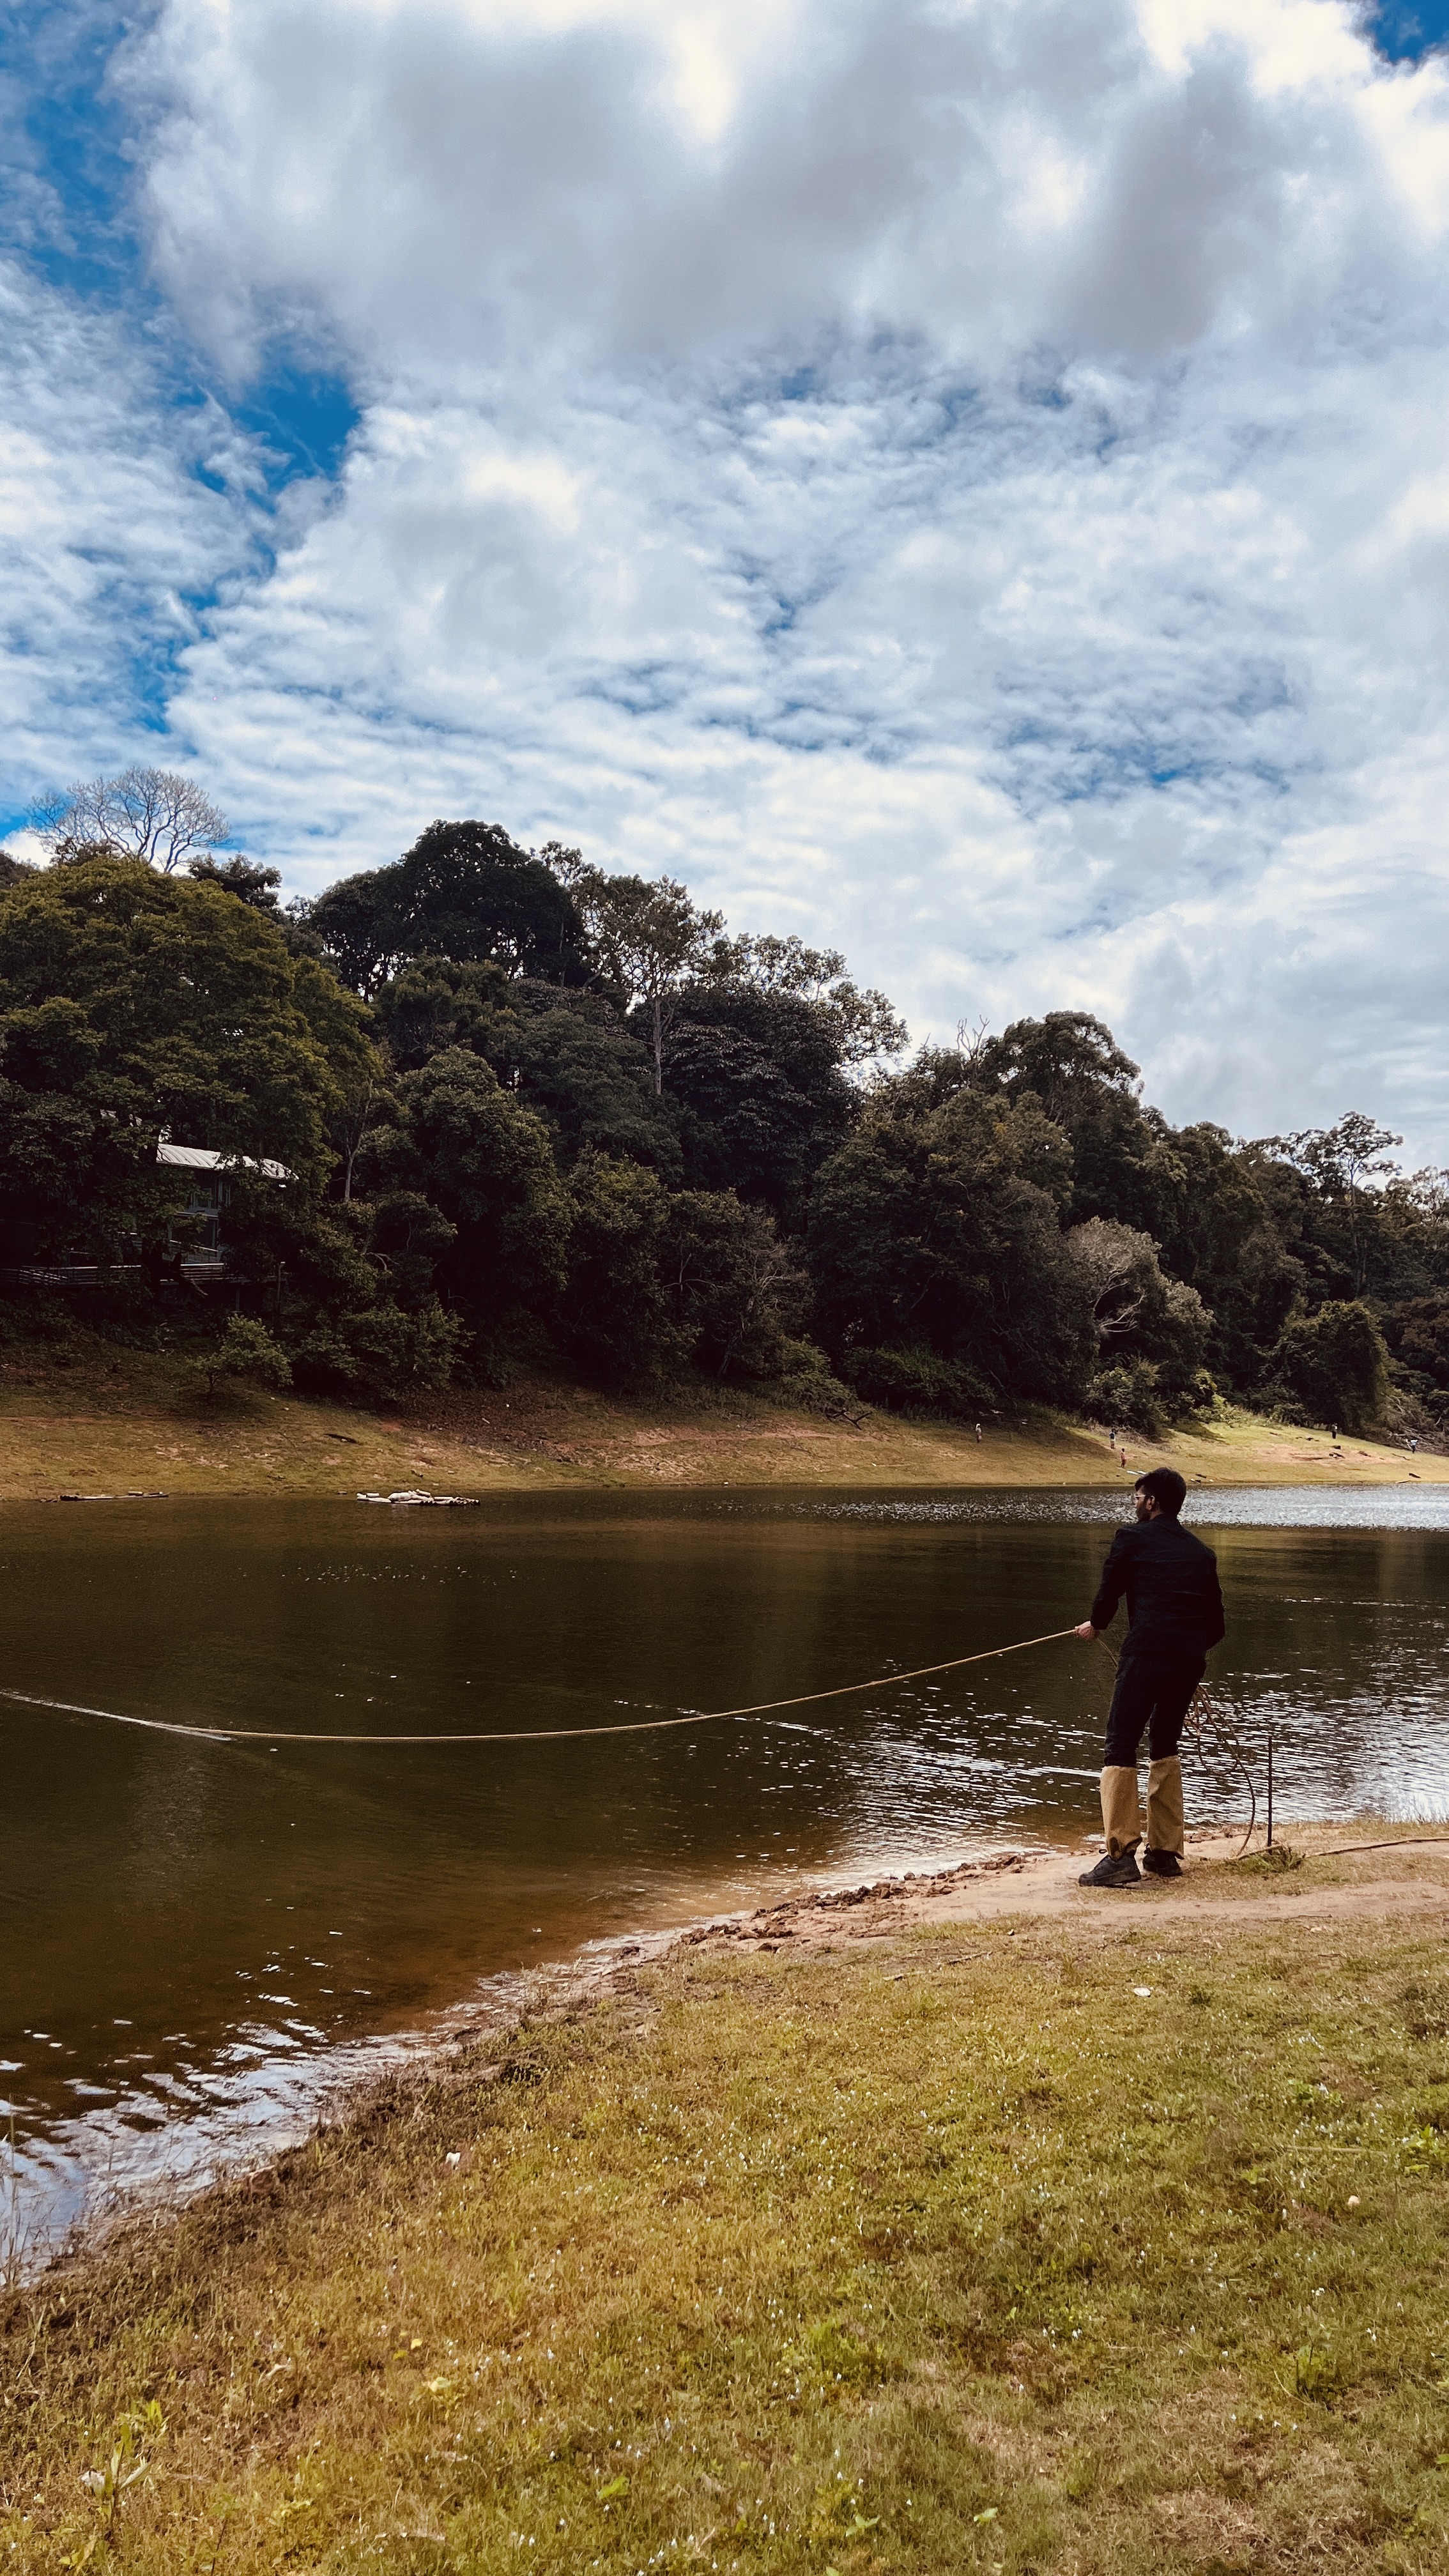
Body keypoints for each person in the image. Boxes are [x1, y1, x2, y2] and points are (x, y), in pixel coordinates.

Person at [1073, 1466, 1225, 1889]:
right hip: (1189, 1659)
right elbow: (1216, 1626)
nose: (1135, 1504)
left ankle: (1120, 1856)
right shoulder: (1201, 1552)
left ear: (1152, 1501)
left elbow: (1109, 1593)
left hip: (1147, 1653)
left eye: (1138, 1497)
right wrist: (1187, 1649)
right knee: (1165, 1743)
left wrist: (1097, 1625)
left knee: (1121, 1743)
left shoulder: (1131, 1538)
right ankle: (1164, 1853)